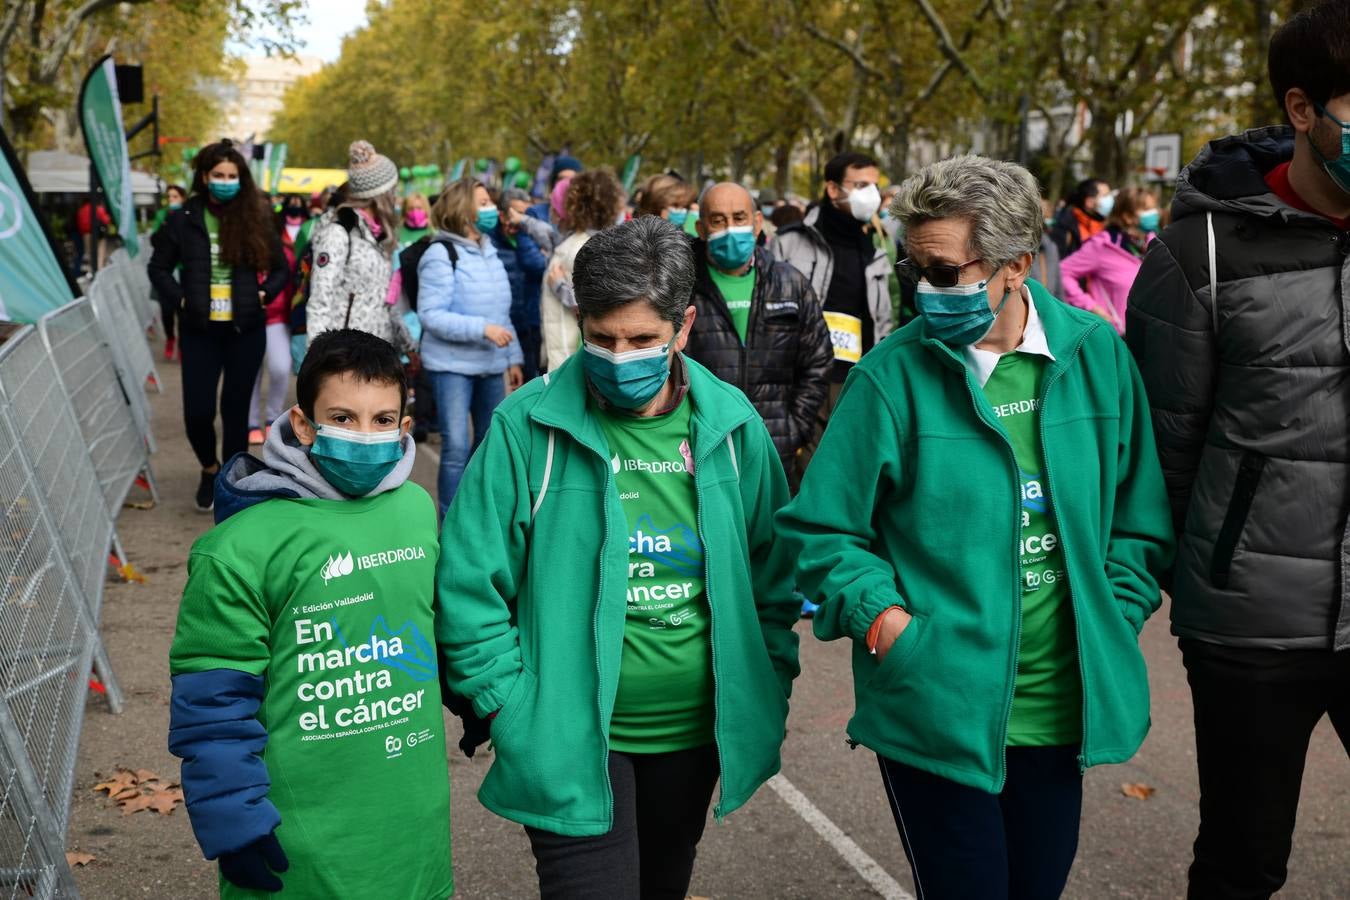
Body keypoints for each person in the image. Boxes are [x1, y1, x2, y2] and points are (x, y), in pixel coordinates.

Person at [777, 155, 1174, 899]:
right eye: (914, 269)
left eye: (947, 271)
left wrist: (1112, 614)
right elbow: (820, 534)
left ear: (1018, 264)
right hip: (938, 709)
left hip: (1060, 713)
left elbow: (1139, 522)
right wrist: (889, 624)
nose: (926, 289)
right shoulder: (889, 378)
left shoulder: (1097, 359)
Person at [437, 217, 799, 900]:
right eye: (601, 338)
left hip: (692, 741)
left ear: (684, 327)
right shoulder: (526, 426)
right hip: (568, 738)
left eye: (642, 340)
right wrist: (506, 705)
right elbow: (467, 582)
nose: (619, 356)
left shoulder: (733, 427)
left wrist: (767, 677)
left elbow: (772, 578)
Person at [1126, 3, 1350, 896]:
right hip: (1252, 625)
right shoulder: (1199, 250)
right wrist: (1192, 576)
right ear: (1302, 110)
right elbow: (1159, 449)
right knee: (1243, 860)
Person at [168, 329, 453, 899]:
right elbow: (213, 703)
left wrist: (470, 689)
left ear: (404, 429)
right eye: (342, 418)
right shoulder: (238, 549)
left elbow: (429, 623)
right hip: (302, 838)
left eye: (382, 420)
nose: (364, 436)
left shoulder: (418, 511)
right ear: (302, 424)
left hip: (413, 829)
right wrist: (234, 821)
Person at [148, 139, 288, 513]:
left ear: (241, 178)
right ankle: (208, 468)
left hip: (246, 328)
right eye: (218, 175)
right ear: (204, 176)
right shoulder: (183, 218)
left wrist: (263, 294)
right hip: (199, 330)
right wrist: (179, 299)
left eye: (233, 175)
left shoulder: (256, 215)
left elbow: (281, 268)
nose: (226, 181)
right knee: (197, 410)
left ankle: (230, 478)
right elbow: (157, 268)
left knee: (236, 409)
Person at [684, 182, 831, 480]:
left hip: (775, 448)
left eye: (739, 218)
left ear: (757, 223)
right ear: (701, 228)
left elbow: (817, 361)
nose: (730, 228)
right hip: (703, 450)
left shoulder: (790, 284)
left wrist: (794, 429)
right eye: (718, 220)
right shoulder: (682, 287)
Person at [771, 151, 895, 471]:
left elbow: (883, 320)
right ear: (833, 189)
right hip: (802, 375)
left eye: (874, 185)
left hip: (854, 379)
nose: (871, 193)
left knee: (843, 467)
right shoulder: (791, 242)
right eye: (861, 184)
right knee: (799, 468)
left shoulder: (876, 250)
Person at [416, 178, 523, 516]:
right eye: (484, 202)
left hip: (491, 365)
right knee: (457, 448)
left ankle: (477, 519)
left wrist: (513, 358)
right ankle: (449, 523)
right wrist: (482, 329)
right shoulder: (440, 253)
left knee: (488, 447)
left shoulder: (490, 250)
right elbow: (430, 315)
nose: (492, 208)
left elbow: (502, 312)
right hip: (452, 367)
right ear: (464, 209)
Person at [306, 141, 416, 357]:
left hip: (379, 354)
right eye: (393, 189)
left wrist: (408, 345)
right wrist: (318, 362)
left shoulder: (381, 237)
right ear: (380, 194)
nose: (397, 195)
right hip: (345, 355)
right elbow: (320, 300)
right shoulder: (338, 233)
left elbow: (385, 302)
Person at [539, 169, 626, 371]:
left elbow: (602, 304)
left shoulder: (581, 247)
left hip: (571, 353)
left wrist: (560, 287)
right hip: (567, 350)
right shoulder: (591, 242)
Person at [1058, 186, 1158, 334]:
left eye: (1153, 208)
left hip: (1153, 337)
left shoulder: (1156, 244)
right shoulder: (1103, 245)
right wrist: (1091, 307)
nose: (1153, 213)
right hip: (1118, 338)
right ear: (1127, 216)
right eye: (1146, 209)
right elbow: (1062, 272)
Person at [246, 196, 305, 444]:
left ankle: (272, 418)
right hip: (248, 318)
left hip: (278, 318)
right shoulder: (240, 247)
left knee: (280, 368)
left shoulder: (285, 249)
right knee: (251, 371)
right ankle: (250, 422)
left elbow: (294, 283)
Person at [490, 187, 550, 382]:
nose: (523, 220)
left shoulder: (534, 241)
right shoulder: (489, 244)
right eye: (518, 213)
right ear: (502, 215)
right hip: (504, 327)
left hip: (532, 321)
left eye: (527, 214)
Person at [152, 184, 189, 361]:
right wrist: (166, 223)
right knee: (167, 310)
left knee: (183, 311)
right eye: (169, 197)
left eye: (175, 197)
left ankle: (183, 345)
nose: (172, 200)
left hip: (183, 270)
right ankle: (170, 338)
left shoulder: (189, 216)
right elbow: (155, 240)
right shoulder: (163, 215)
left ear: (183, 198)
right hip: (168, 271)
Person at [1048, 178, 1112, 259]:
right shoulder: (1065, 226)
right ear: (1089, 202)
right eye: (1105, 196)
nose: (1110, 200)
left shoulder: (1108, 227)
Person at [528, 153, 583, 225]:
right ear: (553, 183)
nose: (566, 184)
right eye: (562, 179)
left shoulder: (587, 217)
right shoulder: (535, 214)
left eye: (572, 180)